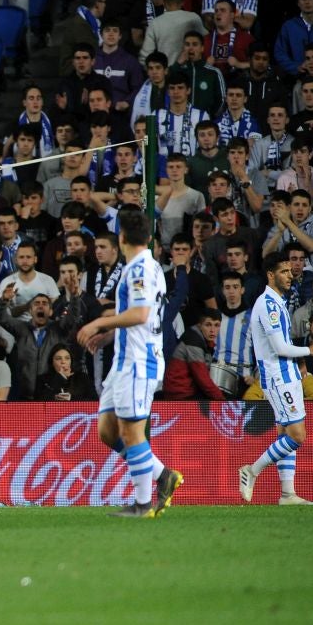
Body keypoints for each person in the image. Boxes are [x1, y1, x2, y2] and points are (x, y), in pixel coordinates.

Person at [76, 209, 183, 518]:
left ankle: (142, 503)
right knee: (107, 431)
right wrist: (110, 335)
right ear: (148, 237)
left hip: (138, 362)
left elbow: (140, 315)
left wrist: (99, 323)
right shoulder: (144, 267)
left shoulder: (139, 270)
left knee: (131, 432)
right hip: (124, 361)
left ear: (121, 238)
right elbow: (140, 320)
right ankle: (163, 476)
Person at [237, 252, 313, 505]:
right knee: (297, 435)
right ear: (271, 275)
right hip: (277, 377)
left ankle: (287, 494)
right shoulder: (268, 304)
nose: (290, 275)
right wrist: (310, 350)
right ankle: (252, 470)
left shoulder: (278, 302)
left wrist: (300, 363)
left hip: (288, 375)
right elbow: (280, 348)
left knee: (285, 432)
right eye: (284, 272)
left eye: (290, 271)